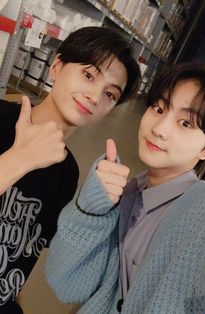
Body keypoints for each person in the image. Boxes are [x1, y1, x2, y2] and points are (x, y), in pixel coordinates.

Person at [46, 62, 205, 314]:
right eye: (159, 108)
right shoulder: (124, 196)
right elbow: (67, 286)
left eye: (186, 123)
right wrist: (90, 210)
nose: (159, 129)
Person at [0, 26, 141, 313]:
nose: (94, 96)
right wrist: (19, 159)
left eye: (110, 94)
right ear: (56, 66)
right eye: (88, 75)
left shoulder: (67, 173)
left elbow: (26, 253)